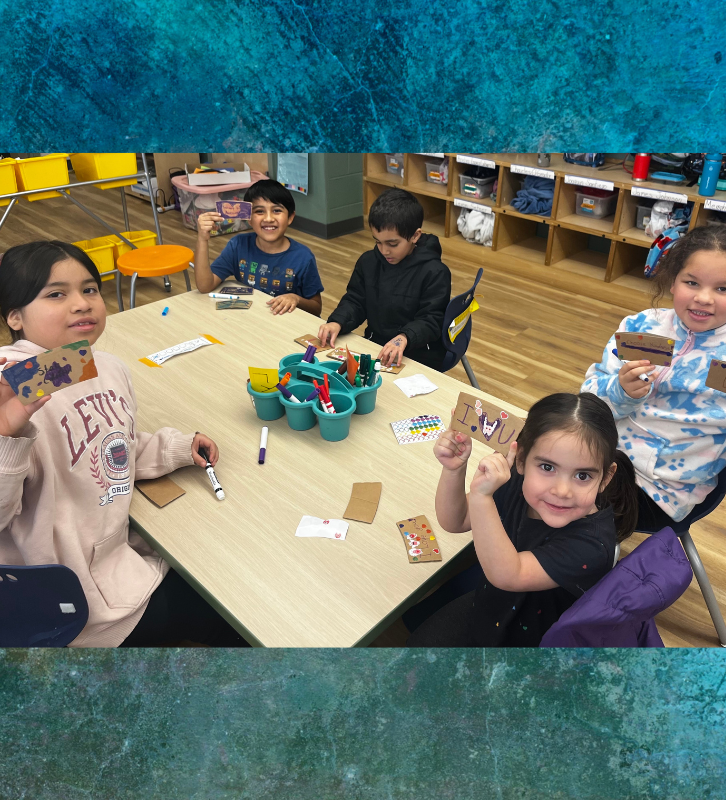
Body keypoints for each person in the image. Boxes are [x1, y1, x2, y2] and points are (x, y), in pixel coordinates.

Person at [0, 241, 247, 647]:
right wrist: (6, 437)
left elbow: (111, 444)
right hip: (78, 608)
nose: (82, 304)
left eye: (91, 289)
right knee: (235, 614)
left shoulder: (97, 364)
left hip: (121, 561)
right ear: (15, 316)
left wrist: (177, 448)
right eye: (56, 294)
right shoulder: (12, 388)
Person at [582, 225, 726, 531]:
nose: (704, 298)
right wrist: (619, 391)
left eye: (723, 289)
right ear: (673, 282)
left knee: (551, 501)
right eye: (691, 282)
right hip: (595, 453)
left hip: (658, 492)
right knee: (526, 468)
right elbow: (587, 401)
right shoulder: (642, 325)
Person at [406, 393, 638, 647]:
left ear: (605, 478)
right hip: (493, 607)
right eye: (548, 468)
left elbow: (508, 574)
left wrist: (483, 498)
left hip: (539, 643)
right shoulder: (516, 480)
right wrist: (454, 469)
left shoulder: (592, 544)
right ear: (522, 460)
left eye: (582, 476)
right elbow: (456, 519)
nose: (562, 491)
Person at [317, 188, 451, 369]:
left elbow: (432, 319)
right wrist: (337, 321)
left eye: (392, 244)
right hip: (376, 345)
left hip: (419, 353)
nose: (384, 250)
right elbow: (356, 300)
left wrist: (405, 337)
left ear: (415, 236)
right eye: (377, 241)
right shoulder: (368, 262)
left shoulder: (435, 272)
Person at [194, 179, 323, 316]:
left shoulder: (303, 257)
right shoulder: (238, 245)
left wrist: (296, 299)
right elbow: (204, 286)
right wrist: (202, 239)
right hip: (252, 321)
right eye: (260, 211)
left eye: (277, 210)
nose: (268, 218)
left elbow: (316, 308)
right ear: (249, 218)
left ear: (290, 217)